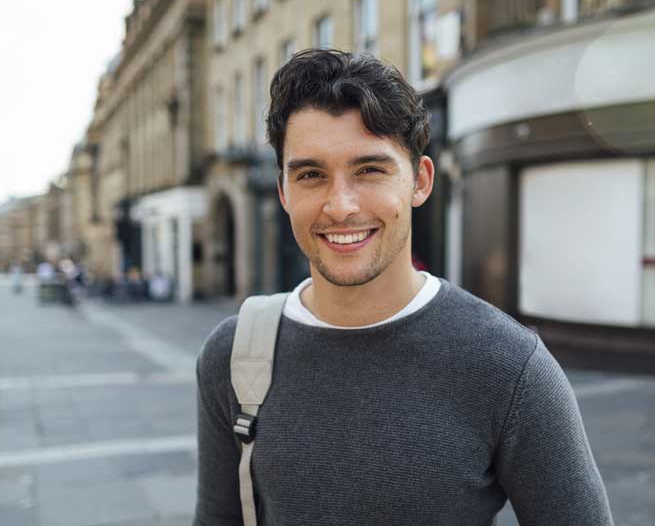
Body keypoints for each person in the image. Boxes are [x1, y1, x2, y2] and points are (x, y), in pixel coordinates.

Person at [194, 50, 612, 526]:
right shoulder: (232, 354)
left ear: (420, 181)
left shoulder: (508, 367)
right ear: (284, 192)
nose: (340, 206)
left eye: (370, 170)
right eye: (311, 175)